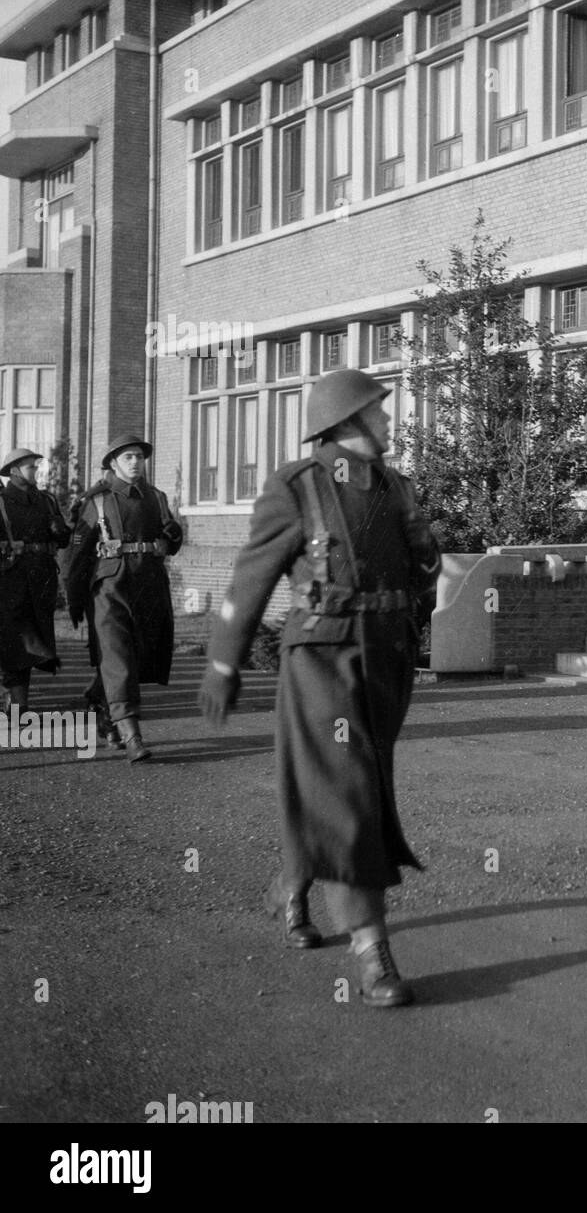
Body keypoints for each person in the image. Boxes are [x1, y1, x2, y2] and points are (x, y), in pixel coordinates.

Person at [199, 370, 440, 1006]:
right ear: (348, 420)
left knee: (359, 787)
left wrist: (423, 574)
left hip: (385, 656)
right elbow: (252, 574)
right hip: (322, 659)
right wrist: (224, 662)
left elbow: (423, 569)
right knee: (349, 792)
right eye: (379, 412)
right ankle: (371, 950)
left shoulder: (395, 487)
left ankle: (296, 876)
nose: (389, 421)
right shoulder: (297, 486)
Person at [64, 434, 183, 762]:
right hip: (109, 588)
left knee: (139, 654)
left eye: (139, 457)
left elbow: (171, 534)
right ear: (113, 463)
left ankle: (99, 702)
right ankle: (133, 736)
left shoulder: (155, 497)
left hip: (148, 585)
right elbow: (76, 556)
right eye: (128, 457)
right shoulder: (97, 501)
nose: (135, 463)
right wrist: (74, 599)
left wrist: (172, 536)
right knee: (117, 655)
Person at [0, 448, 71, 714]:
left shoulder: (47, 501)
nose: (36, 471)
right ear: (15, 471)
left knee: (33, 641)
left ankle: (15, 697)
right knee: (16, 640)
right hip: (11, 578)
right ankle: (18, 703)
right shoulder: (2, 502)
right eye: (31, 467)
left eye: (36, 466)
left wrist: (61, 530)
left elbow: (63, 540)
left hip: (41, 578)